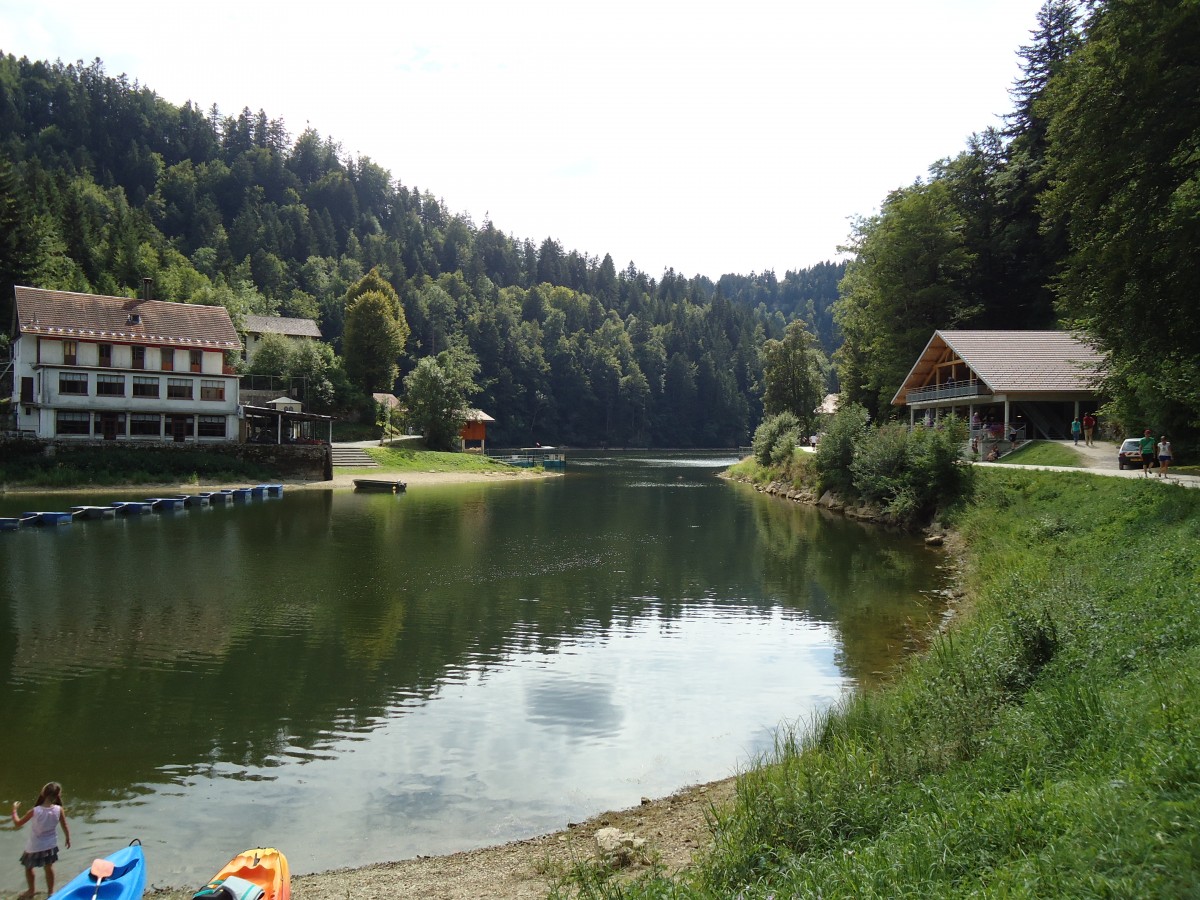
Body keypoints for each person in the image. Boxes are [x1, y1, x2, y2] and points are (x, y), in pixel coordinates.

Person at [12, 781, 71, 899]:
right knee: (49, 867)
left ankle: (31, 890)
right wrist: (67, 838)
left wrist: (14, 810)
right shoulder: (59, 809)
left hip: (34, 845)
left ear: (43, 793)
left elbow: (18, 823)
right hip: (50, 845)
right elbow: (64, 825)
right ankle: (51, 892)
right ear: (58, 795)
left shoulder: (35, 810)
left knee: (28, 867)